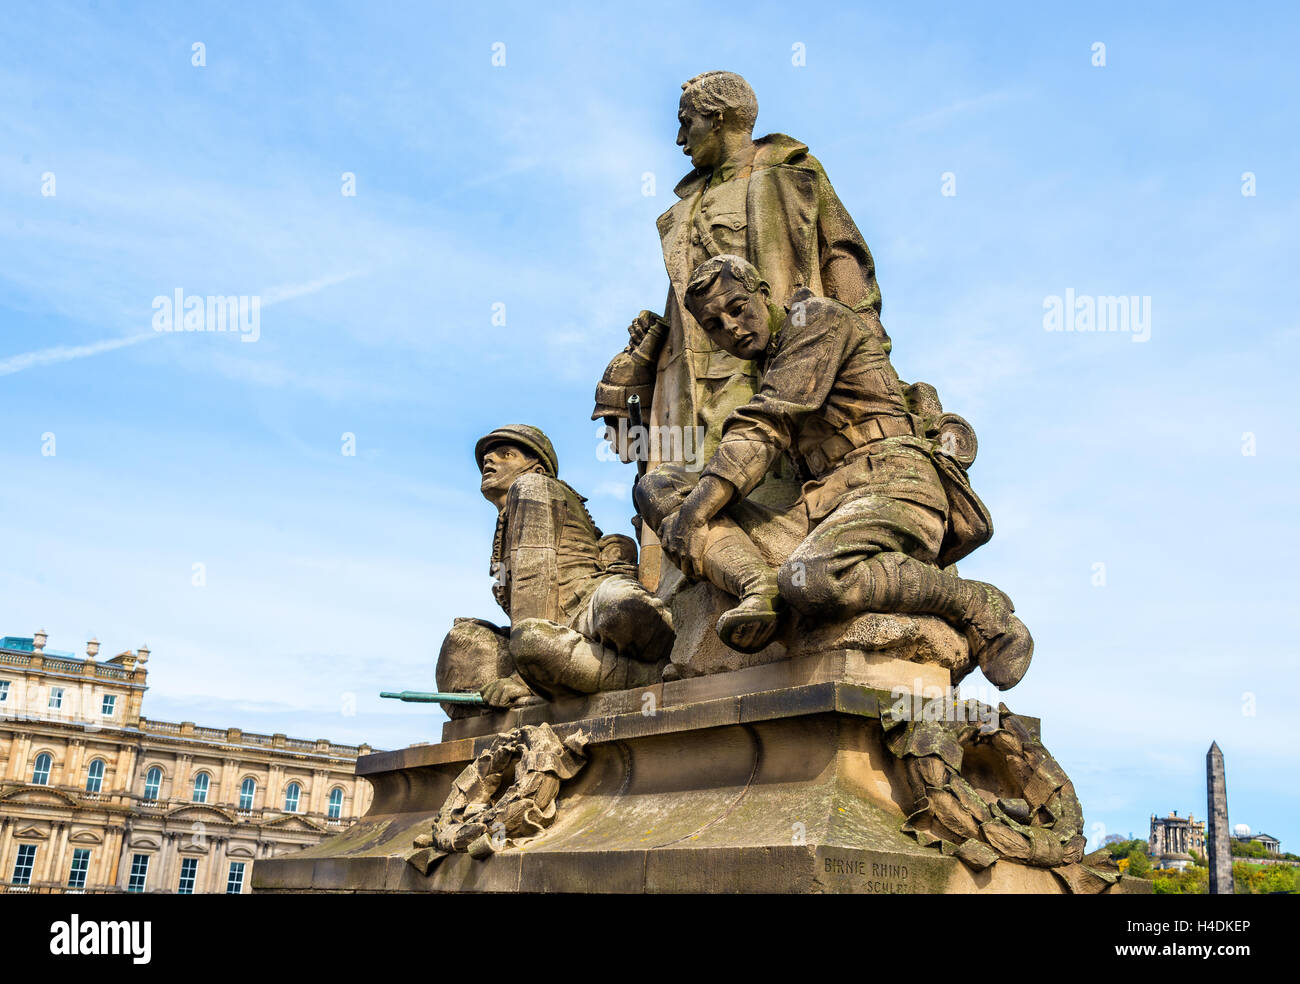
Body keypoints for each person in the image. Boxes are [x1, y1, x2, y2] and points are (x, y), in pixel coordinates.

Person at [634, 256, 1032, 689]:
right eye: (713, 324)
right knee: (659, 485)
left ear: (764, 295)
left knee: (815, 579)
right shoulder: (768, 363)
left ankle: (976, 605)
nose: (731, 327)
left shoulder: (815, 320)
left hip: (895, 484)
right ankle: (759, 586)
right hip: (821, 504)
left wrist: (695, 514)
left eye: (737, 307)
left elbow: (765, 426)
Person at [435, 425, 675, 715]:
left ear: (536, 470)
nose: (489, 461)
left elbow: (533, 580)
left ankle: (646, 676)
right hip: (557, 636)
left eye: (505, 454)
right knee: (462, 641)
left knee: (540, 638)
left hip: (590, 611)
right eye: (487, 458)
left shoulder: (532, 488)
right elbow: (515, 598)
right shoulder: (504, 524)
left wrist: (524, 677)